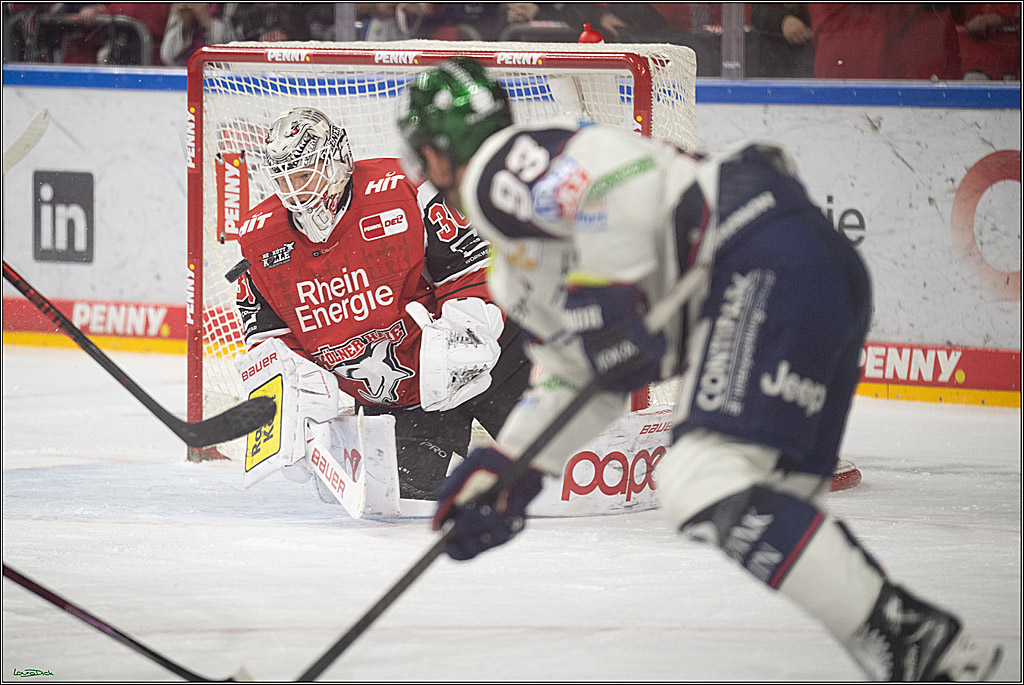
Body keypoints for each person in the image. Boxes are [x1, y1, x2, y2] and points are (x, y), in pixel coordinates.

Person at [396, 57, 1004, 681]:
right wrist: (510, 466)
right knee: (763, 505)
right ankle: (922, 661)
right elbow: (581, 378)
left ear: (437, 154)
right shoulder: (518, 262)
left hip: (751, 251)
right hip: (804, 263)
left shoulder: (499, 168)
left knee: (701, 478)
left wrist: (606, 291)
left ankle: (916, 645)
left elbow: (617, 189)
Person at [233, 106, 531, 501]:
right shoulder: (261, 239)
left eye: (303, 175)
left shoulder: (401, 190)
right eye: (282, 179)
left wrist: (466, 332)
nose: (293, 191)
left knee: (572, 472)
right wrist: (289, 402)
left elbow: (472, 260)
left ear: (336, 160)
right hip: (400, 397)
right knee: (406, 497)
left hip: (492, 359)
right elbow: (267, 337)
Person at [160, 3, 235, 67]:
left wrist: (208, 22)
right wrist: (185, 25)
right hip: (185, 74)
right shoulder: (183, 6)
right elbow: (167, 57)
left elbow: (235, 61)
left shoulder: (231, 6)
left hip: (221, 78)